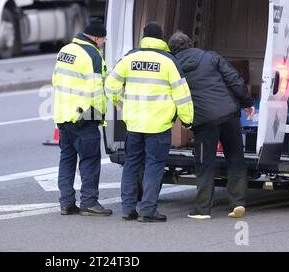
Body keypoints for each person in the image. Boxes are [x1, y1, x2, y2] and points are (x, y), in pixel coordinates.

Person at [105, 22, 194, 222]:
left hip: (134, 124)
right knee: (154, 166)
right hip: (158, 126)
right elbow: (182, 94)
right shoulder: (168, 62)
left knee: (131, 165)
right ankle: (147, 210)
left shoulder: (129, 58)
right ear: (162, 38)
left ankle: (128, 209)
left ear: (143, 37)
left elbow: (110, 85)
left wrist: (121, 105)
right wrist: (188, 121)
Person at [168, 30, 255, 220]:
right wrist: (247, 102)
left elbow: (172, 97)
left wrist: (181, 120)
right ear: (190, 44)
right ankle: (238, 202)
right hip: (228, 113)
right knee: (235, 158)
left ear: (171, 49)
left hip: (203, 120)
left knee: (204, 163)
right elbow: (234, 79)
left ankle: (202, 209)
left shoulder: (172, 67)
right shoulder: (211, 57)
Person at [52, 18, 112, 217]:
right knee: (90, 160)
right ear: (95, 37)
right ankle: (89, 202)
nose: (104, 43)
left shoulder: (66, 50)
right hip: (84, 117)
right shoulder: (92, 54)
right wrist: (100, 115)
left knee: (67, 159)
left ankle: (66, 203)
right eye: (103, 39)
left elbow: (56, 81)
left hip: (63, 115)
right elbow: (97, 89)